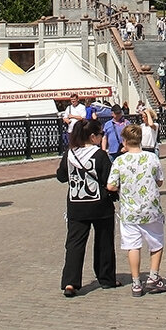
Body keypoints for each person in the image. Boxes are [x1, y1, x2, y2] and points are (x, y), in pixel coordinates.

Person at [56, 119, 118, 296]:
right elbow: (109, 180)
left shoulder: (70, 154)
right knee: (104, 242)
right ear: (92, 137)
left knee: (74, 244)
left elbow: (61, 177)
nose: (101, 137)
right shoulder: (99, 155)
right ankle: (106, 278)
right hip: (100, 206)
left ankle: (70, 282)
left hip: (76, 206)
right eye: (100, 134)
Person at [107, 124, 166, 297]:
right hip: (151, 209)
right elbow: (160, 181)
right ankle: (153, 277)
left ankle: (135, 283)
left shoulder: (120, 160)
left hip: (129, 211)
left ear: (124, 141)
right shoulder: (152, 158)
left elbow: (111, 185)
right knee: (156, 242)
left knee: (132, 246)